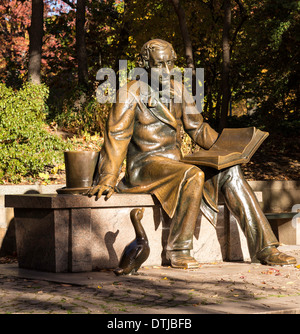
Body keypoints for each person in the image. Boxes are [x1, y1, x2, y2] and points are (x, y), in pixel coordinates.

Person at [88, 39, 296, 268]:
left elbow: (197, 128)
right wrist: (107, 178)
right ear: (144, 65)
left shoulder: (178, 88)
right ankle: (179, 249)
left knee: (231, 170)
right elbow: (117, 137)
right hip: (145, 166)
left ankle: (265, 248)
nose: (167, 71)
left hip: (175, 164)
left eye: (171, 64)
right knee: (193, 174)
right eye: (160, 65)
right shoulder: (129, 93)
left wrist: (229, 148)